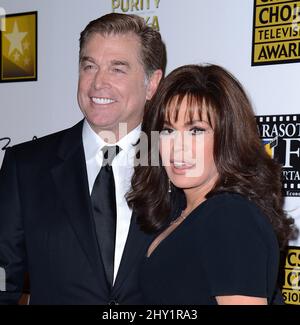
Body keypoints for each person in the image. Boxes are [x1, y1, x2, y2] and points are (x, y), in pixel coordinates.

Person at [0, 13, 166, 304]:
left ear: (151, 84)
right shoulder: (25, 166)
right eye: (89, 66)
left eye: (117, 69)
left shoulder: (177, 168)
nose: (98, 83)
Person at [127, 64, 297, 305]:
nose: (178, 147)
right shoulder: (181, 211)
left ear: (228, 137)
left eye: (196, 130)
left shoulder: (230, 216)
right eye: (167, 131)